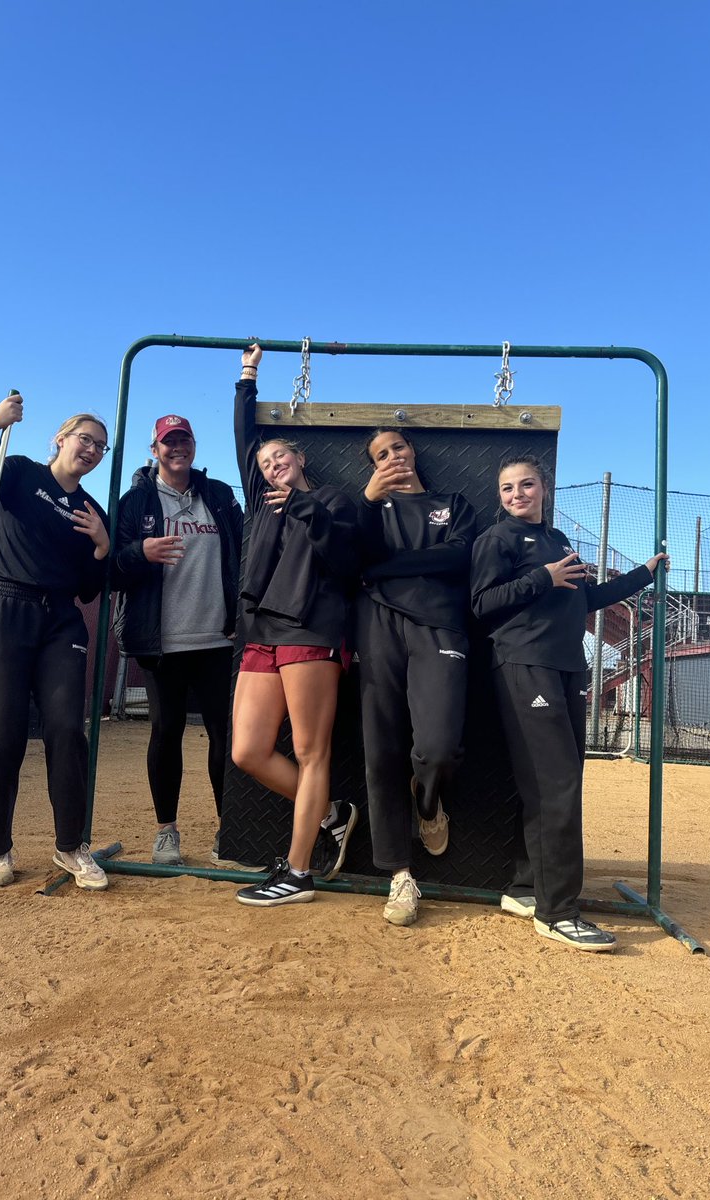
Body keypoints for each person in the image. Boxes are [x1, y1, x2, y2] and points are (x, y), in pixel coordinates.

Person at [471, 453, 669, 952]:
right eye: (508, 488)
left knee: (552, 782)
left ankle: (526, 888)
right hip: (525, 664)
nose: (518, 494)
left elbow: (585, 600)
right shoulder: (498, 540)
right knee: (556, 783)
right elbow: (480, 604)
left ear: (544, 487)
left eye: (527, 485)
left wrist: (643, 574)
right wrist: (543, 579)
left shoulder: (557, 541)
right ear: (501, 496)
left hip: (566, 669)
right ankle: (558, 911)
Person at [0, 393, 111, 890]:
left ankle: (71, 847)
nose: (91, 450)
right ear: (60, 439)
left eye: (100, 448)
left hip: (61, 620)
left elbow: (88, 588)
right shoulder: (19, 470)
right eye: (85, 439)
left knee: (67, 728)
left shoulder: (90, 508)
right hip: (3, 608)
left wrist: (103, 546)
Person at [231, 344, 359, 906]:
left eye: (279, 458)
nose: (271, 466)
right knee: (247, 752)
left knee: (312, 753)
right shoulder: (261, 506)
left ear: (300, 459)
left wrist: (306, 508)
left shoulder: (334, 500)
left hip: (312, 632)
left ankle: (299, 872)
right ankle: (331, 812)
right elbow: (244, 437)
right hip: (261, 632)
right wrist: (247, 376)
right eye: (263, 464)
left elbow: (347, 560)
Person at [355, 428, 476, 926]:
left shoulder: (453, 503)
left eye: (397, 448)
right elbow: (350, 558)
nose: (392, 458)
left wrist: (387, 566)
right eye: (380, 456)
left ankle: (428, 802)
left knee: (440, 744)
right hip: (377, 622)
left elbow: (459, 554)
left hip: (441, 624)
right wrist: (367, 503)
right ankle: (399, 875)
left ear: (412, 451)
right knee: (380, 746)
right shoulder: (369, 509)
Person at [112, 414, 243, 863]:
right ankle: (167, 830)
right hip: (161, 641)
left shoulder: (221, 496)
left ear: (193, 446)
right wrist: (139, 552)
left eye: (184, 439)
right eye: (168, 442)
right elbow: (110, 566)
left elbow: (244, 555)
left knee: (224, 737)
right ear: (155, 449)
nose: (176, 448)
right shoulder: (136, 502)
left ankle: (231, 830)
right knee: (166, 733)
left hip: (218, 640)